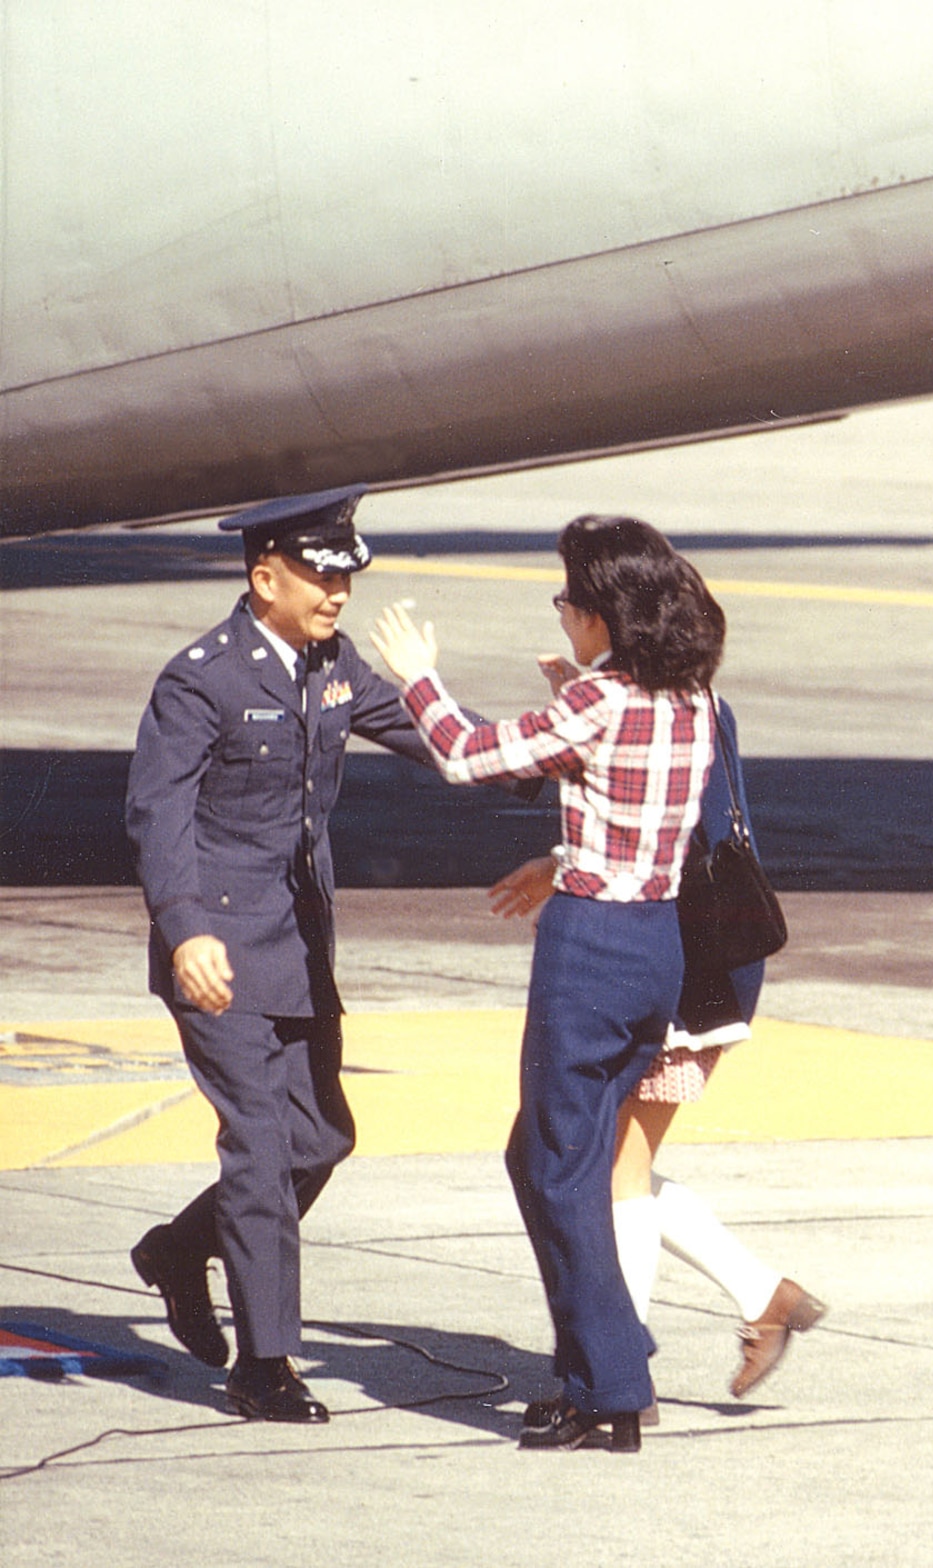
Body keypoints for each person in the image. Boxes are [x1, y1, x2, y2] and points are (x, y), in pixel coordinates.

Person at [370, 514, 731, 1454]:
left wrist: (416, 672)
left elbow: (464, 753)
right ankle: (595, 1365)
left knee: (560, 1167)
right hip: (656, 946)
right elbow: (628, 794)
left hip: (593, 949)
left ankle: (614, 1385)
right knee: (544, 1158)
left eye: (570, 601)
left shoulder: (600, 702)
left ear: (606, 615)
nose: (563, 614)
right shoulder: (690, 696)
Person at [125, 484, 441, 1422]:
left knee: (320, 1139)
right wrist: (185, 930)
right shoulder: (204, 678)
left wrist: (552, 758)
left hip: (300, 944)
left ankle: (184, 1250)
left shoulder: (331, 665)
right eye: (319, 574)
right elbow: (158, 812)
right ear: (265, 577)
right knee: (260, 1149)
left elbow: (428, 737)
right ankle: (265, 1363)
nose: (338, 592)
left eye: (346, 574)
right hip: (218, 949)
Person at [486, 693, 823, 1408]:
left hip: (685, 973)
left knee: (614, 1174)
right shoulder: (686, 702)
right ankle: (761, 1295)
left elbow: (675, 832)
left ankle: (617, 1377)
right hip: (685, 963)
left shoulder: (671, 710)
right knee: (593, 1163)